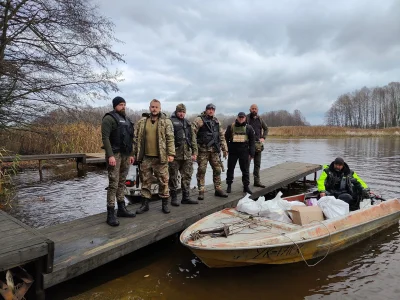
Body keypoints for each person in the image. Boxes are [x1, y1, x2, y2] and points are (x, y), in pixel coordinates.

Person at [133, 99, 175, 214]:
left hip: (160, 157)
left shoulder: (166, 121)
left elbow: (170, 139)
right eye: (152, 107)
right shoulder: (142, 121)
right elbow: (136, 139)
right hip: (146, 157)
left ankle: (165, 204)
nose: (154, 109)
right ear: (149, 107)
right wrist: (135, 154)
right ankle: (145, 204)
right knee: (145, 181)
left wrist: (171, 154)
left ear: (160, 108)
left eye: (156, 107)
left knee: (163, 181)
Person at [101, 96, 136, 227]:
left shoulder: (127, 120)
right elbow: (105, 138)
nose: (123, 107)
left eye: (124, 104)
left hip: (126, 154)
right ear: (115, 105)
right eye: (121, 104)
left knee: (122, 182)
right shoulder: (109, 118)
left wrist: (132, 154)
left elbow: (131, 138)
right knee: (113, 183)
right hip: (114, 154)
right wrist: (110, 155)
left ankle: (121, 208)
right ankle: (110, 213)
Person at [193, 103, 229, 200]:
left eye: (213, 109)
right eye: (209, 109)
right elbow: (192, 135)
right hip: (202, 150)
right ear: (206, 109)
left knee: (217, 170)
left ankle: (218, 189)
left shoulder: (216, 121)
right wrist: (194, 150)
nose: (211, 111)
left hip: (214, 150)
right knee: (202, 170)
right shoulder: (199, 120)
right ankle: (201, 190)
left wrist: (225, 149)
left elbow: (221, 136)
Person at [168, 103, 198, 205]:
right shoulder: (170, 122)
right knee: (173, 176)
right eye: (180, 112)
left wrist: (194, 152)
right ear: (176, 112)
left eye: (183, 112)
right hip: (175, 155)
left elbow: (193, 139)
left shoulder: (188, 123)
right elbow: (168, 139)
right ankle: (174, 198)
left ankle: (186, 197)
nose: (181, 114)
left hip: (187, 154)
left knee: (187, 176)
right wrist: (169, 153)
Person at [224, 112, 256, 194]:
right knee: (230, 169)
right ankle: (229, 185)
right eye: (240, 117)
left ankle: (246, 187)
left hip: (244, 152)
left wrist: (252, 153)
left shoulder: (249, 128)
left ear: (245, 118)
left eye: (243, 117)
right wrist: (227, 149)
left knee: (245, 170)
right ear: (237, 117)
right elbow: (225, 139)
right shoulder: (230, 127)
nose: (241, 119)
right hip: (233, 152)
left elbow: (252, 142)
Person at [247, 104, 269, 188]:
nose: (254, 110)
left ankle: (257, 181)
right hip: (248, 146)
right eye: (252, 109)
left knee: (257, 164)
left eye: (255, 109)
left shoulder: (260, 119)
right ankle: (246, 182)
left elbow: (266, 129)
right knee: (247, 165)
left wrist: (263, 137)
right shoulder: (246, 118)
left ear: (257, 110)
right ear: (250, 109)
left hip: (258, 145)